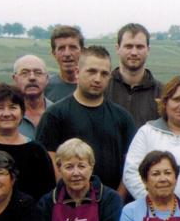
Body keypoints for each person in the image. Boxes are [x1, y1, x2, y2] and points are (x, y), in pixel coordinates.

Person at [36, 45, 138, 193]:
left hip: (112, 203)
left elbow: (131, 164)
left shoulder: (123, 117)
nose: (97, 79)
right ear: (77, 72)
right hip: (67, 202)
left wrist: (117, 199)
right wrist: (68, 196)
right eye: (92, 71)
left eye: (104, 74)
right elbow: (49, 160)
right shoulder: (55, 115)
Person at [107, 22, 162, 125]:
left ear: (148, 50)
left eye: (139, 47)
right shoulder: (103, 88)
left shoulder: (162, 93)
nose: (134, 53)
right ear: (117, 49)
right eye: (128, 46)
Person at [12, 55, 50, 134]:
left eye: (38, 73)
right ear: (15, 79)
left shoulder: (58, 113)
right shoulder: (6, 116)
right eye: (24, 73)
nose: (32, 78)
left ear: (47, 78)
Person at [45, 24, 83, 103]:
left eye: (73, 47)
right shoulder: (45, 87)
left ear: (82, 51)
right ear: (54, 54)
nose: (67, 54)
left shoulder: (96, 86)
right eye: (61, 48)